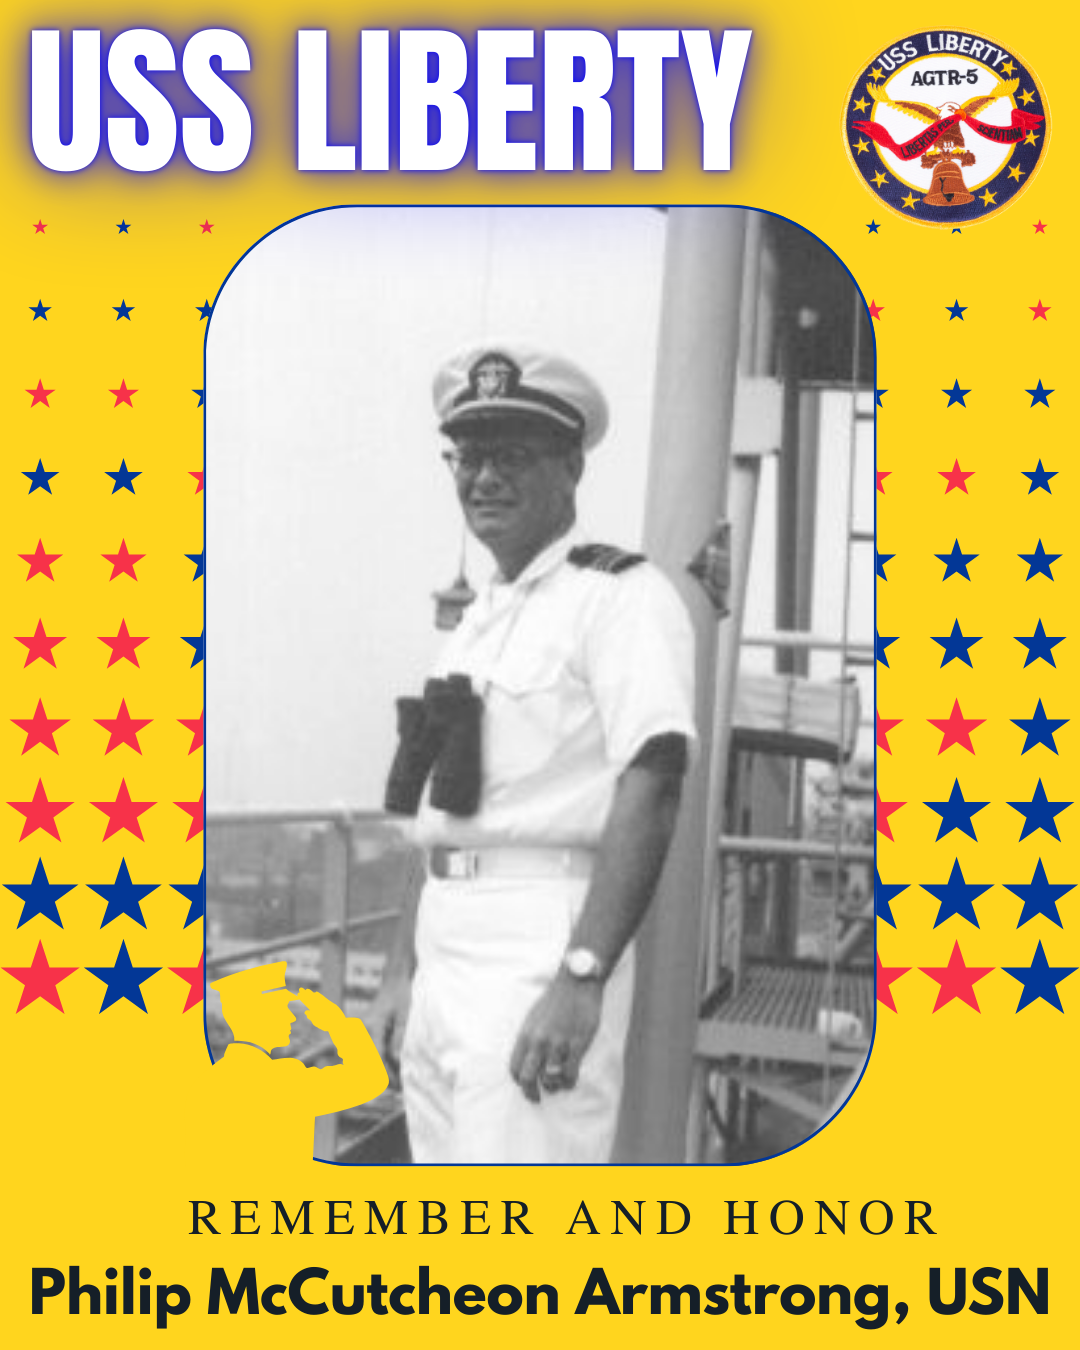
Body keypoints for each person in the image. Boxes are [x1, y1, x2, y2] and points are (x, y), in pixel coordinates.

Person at [370, 343, 696, 1164]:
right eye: (469, 456)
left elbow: (654, 780)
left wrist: (581, 976)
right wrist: (401, 971)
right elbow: (438, 814)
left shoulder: (619, 598)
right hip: (444, 955)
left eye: (512, 456)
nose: (484, 478)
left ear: (571, 469)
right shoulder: (476, 623)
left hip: (538, 945)